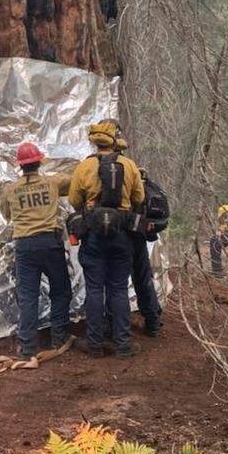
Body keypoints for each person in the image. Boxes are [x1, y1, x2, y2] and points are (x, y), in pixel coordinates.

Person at [68, 121, 145, 357]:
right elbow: (139, 197)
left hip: (94, 237)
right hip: (121, 235)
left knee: (94, 290)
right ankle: (123, 345)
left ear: (94, 140)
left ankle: (94, 345)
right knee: (119, 290)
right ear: (114, 140)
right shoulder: (128, 165)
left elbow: (74, 200)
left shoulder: (84, 167)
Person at [0, 142, 74, 359]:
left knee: (28, 297)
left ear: (20, 166)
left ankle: (28, 347)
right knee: (60, 291)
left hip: (25, 246)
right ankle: (59, 338)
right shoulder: (52, 183)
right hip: (50, 243)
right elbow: (74, 182)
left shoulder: (10, 190)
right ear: (39, 161)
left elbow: (7, 215)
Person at [116, 135, 162, 337]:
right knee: (143, 278)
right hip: (137, 233)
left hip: (119, 234)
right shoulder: (133, 168)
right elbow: (140, 198)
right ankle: (153, 322)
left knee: (115, 282)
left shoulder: (100, 170)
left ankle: (116, 326)